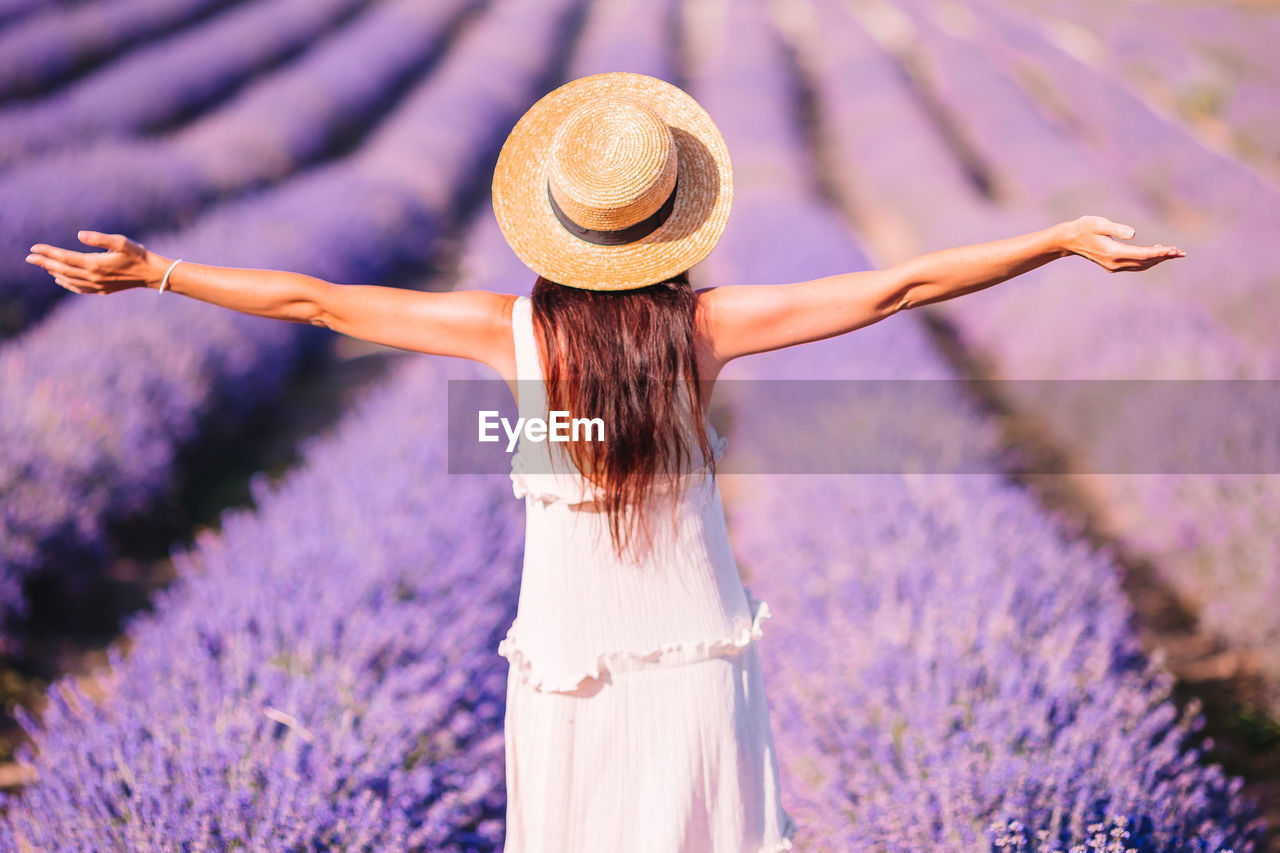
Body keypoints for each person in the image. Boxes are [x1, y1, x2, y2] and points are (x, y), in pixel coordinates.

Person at [24, 71, 1182, 853]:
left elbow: (317, 300)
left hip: (564, 669)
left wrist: (159, 272)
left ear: (555, 226)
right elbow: (894, 286)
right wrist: (1056, 238)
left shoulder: (503, 329)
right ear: (669, 221)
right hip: (690, 660)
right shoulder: (707, 329)